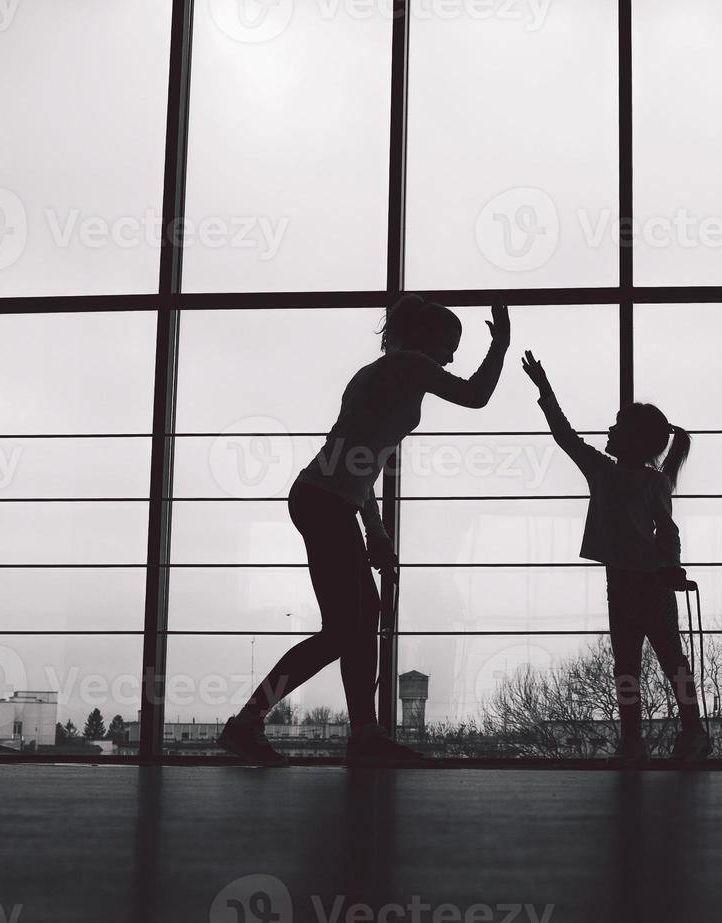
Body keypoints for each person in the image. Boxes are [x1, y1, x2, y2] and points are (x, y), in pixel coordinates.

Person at [219, 295, 512, 766]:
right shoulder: (410, 365)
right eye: (451, 344)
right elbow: (475, 395)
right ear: (427, 337)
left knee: (360, 619)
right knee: (342, 631)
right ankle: (253, 722)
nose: (453, 356)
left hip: (325, 499)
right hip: (326, 502)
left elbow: (361, 465)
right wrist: (500, 346)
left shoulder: (373, 376)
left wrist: (374, 530)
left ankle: (362, 732)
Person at [520, 350, 710, 767]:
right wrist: (671, 566)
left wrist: (545, 391)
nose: (609, 427)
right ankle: (691, 731)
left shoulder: (602, 472)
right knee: (671, 661)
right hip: (653, 582)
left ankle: (634, 739)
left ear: (633, 439)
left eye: (618, 425)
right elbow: (667, 530)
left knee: (627, 665)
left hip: (623, 583)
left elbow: (564, 436)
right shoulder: (653, 482)